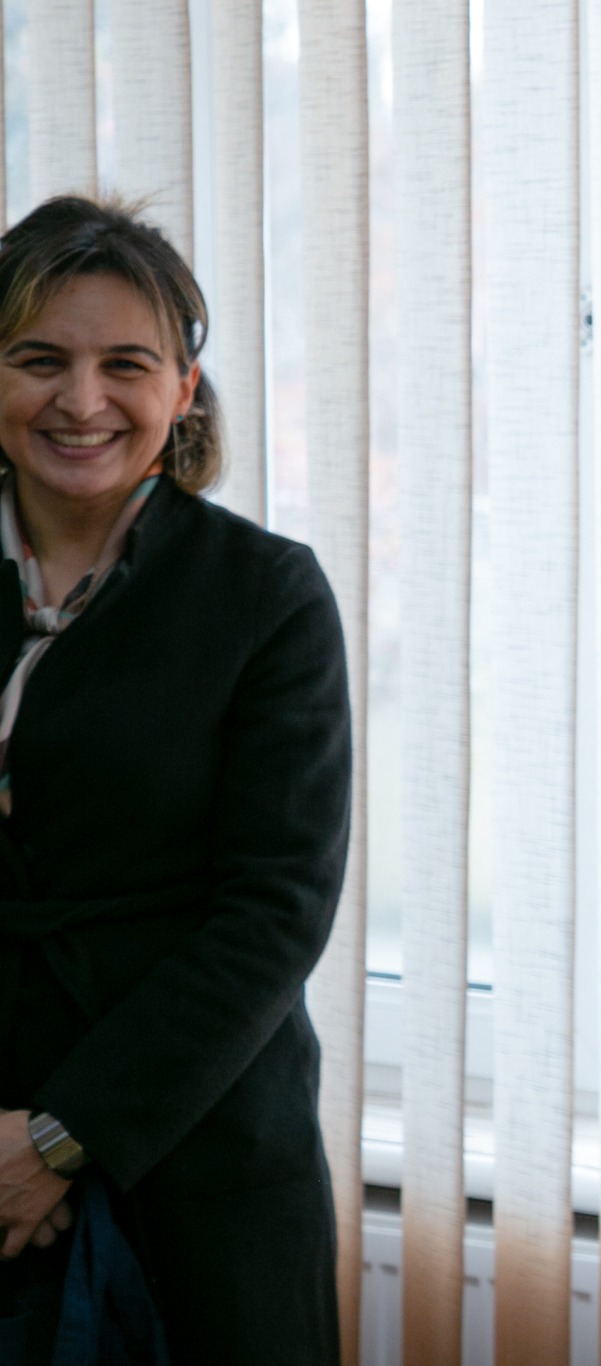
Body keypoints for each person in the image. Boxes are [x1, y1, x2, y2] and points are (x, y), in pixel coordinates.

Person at [0, 197, 349, 1364]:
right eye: (39, 360)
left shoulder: (266, 595)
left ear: (183, 388)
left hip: (197, 1148)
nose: (81, 401)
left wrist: (56, 1138)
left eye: (125, 364)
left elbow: (273, 915)